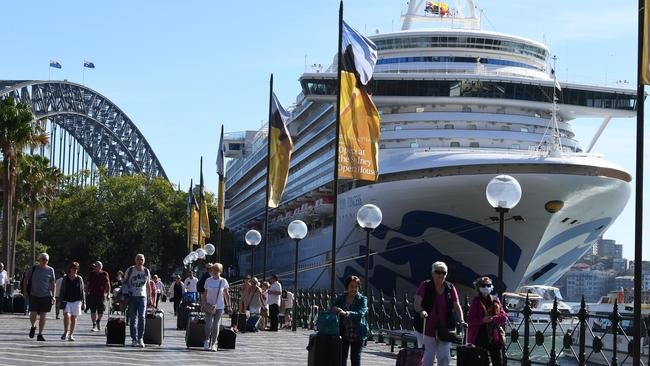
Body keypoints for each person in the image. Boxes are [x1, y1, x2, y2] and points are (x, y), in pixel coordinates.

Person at [414, 261, 467, 366]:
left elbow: (457, 306)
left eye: (444, 273)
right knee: (428, 356)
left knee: (444, 357)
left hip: (445, 328)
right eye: (438, 272)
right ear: (433, 273)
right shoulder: (425, 285)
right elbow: (417, 303)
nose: (441, 275)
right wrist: (421, 311)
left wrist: (461, 320)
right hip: (427, 327)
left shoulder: (450, 288)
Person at [467, 276, 508, 366]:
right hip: (479, 336)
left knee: (498, 362)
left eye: (488, 285)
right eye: (483, 285)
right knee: (481, 362)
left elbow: (504, 316)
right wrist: (482, 320)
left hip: (494, 337)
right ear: (479, 287)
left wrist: (493, 319)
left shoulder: (495, 300)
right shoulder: (476, 302)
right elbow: (470, 321)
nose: (486, 287)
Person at [331, 275, 369, 366]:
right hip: (343, 332)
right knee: (342, 358)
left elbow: (361, 313)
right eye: (352, 286)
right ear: (347, 287)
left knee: (355, 357)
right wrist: (336, 309)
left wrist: (347, 313)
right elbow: (332, 307)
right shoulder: (341, 298)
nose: (354, 289)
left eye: (356, 287)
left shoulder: (362, 299)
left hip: (358, 332)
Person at [24, 253, 56, 341]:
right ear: (39, 259)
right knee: (32, 314)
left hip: (46, 296)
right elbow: (26, 279)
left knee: (43, 316)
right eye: (43, 259)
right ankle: (33, 326)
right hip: (34, 295)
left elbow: (53, 283)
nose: (45, 261)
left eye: (46, 260)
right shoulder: (33, 268)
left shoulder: (50, 270)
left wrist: (53, 296)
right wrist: (25, 291)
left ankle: (40, 334)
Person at [200, 263, 232, 352]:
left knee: (216, 325)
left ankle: (214, 343)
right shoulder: (208, 280)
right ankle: (206, 340)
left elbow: (226, 294)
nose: (214, 272)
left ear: (220, 271)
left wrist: (229, 307)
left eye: (216, 270)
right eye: (213, 270)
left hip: (219, 306)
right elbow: (204, 293)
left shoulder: (223, 281)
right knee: (209, 324)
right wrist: (204, 303)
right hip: (209, 305)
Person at [123, 253, 151, 348]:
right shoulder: (130, 270)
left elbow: (148, 285)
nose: (140, 261)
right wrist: (126, 292)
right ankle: (134, 339)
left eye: (141, 260)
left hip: (143, 296)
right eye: (138, 259)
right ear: (135, 260)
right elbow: (124, 281)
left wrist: (150, 297)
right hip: (132, 296)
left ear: (144, 261)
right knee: (132, 318)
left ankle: (140, 338)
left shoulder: (146, 271)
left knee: (142, 317)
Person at [60, 262, 86, 341]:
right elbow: (62, 290)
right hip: (67, 300)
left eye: (76, 269)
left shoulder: (79, 278)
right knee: (66, 315)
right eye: (74, 268)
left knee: (74, 318)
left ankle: (71, 335)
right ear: (70, 269)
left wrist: (84, 302)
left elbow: (82, 291)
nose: (75, 270)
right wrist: (59, 300)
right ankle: (65, 332)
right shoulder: (65, 278)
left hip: (77, 301)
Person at [88, 261, 110, 332]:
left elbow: (107, 284)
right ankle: (94, 325)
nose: (94, 267)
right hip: (92, 294)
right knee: (93, 310)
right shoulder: (92, 274)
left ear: (100, 267)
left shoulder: (104, 274)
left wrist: (108, 293)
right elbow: (88, 283)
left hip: (101, 295)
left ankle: (98, 321)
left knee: (101, 310)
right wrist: (86, 292)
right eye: (94, 266)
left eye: (96, 266)